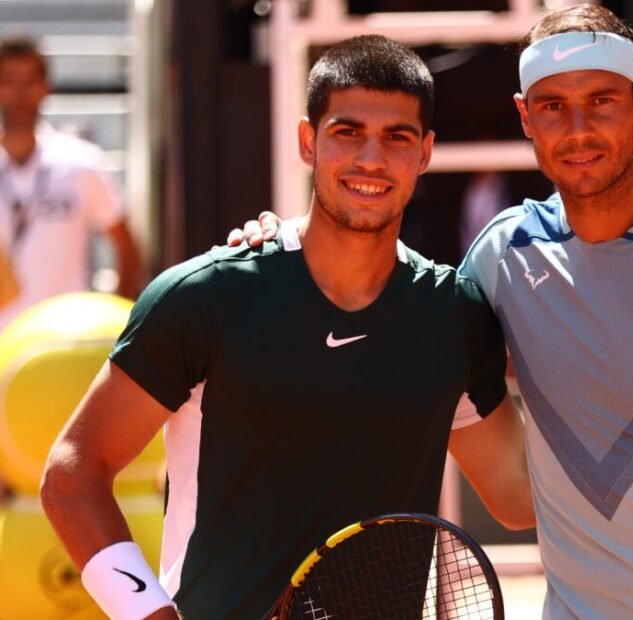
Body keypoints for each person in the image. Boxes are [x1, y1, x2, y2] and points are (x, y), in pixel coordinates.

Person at [238, 5, 633, 618]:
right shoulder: (501, 257)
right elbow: (392, 306)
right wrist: (283, 243)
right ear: (524, 116)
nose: (578, 130)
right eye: (553, 106)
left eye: (601, 100)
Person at [40, 35, 533, 620]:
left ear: (425, 152)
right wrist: (150, 615)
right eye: (348, 132)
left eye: (397, 138)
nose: (371, 159)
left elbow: (520, 498)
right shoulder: (207, 297)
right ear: (308, 140)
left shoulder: (452, 316)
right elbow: (73, 475)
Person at [0, 35, 141, 332]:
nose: (19, 93)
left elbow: (128, 250)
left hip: (61, 345)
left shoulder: (82, 162)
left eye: (29, 81)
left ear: (46, 87)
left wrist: (113, 329)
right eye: (8, 80)